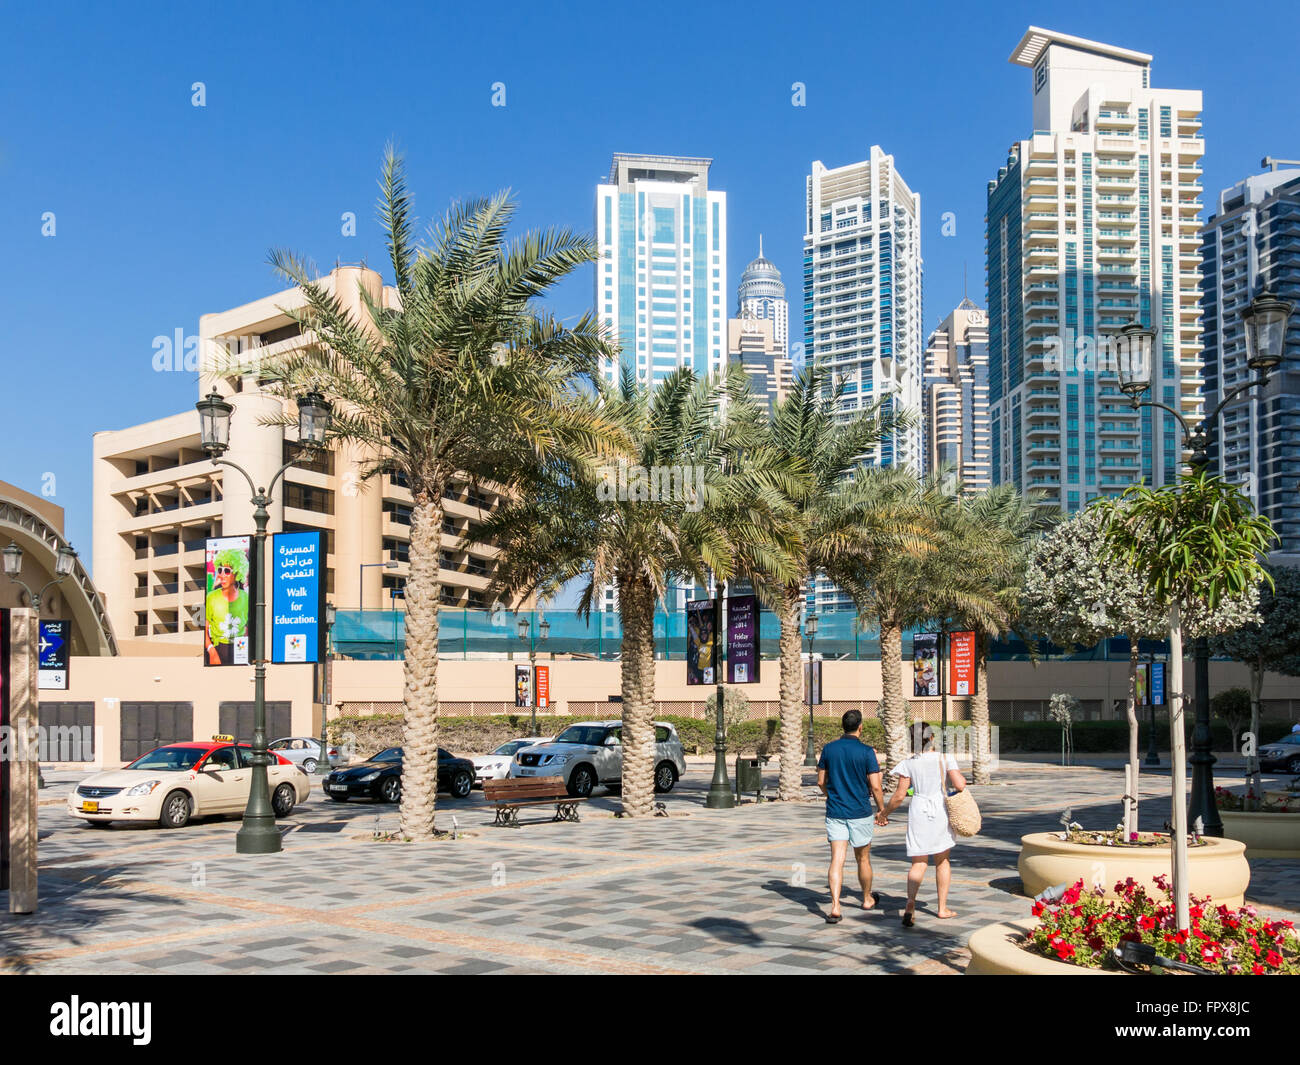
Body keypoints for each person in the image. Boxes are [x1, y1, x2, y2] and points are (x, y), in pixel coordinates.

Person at [878, 723, 967, 928]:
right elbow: (960, 784)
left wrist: (884, 813)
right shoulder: (945, 758)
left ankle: (910, 902)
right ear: (932, 737)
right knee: (942, 861)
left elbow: (900, 796)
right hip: (939, 810)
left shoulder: (908, 763)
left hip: (918, 809)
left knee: (918, 862)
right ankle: (942, 908)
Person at [817, 709, 886, 923]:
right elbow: (875, 786)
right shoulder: (867, 752)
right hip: (860, 812)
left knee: (837, 859)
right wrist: (881, 810)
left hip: (836, 811)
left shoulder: (829, 749)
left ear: (842, 726)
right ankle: (866, 898)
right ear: (861, 727)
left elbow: (821, 782)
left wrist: (832, 796)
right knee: (862, 858)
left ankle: (836, 906)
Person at [205, 547, 250, 666]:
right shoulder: (211, 597)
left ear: (237, 573)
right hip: (218, 647)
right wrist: (211, 651)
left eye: (227, 571)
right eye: (220, 570)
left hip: (240, 648)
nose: (222, 575)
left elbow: (248, 627)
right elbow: (204, 628)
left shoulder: (246, 597)